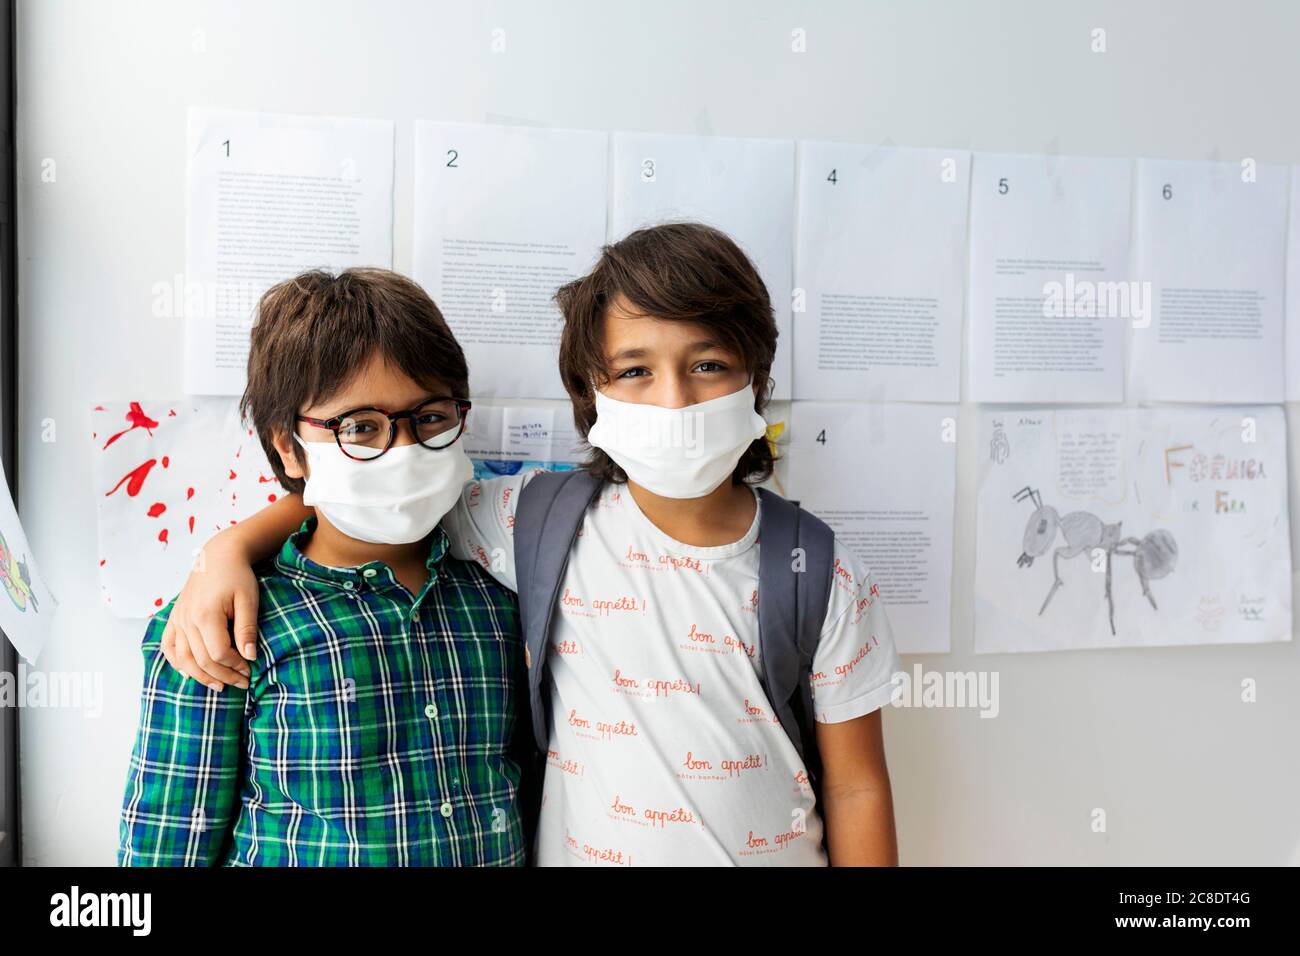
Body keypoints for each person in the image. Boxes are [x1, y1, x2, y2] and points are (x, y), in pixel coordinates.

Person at [161, 224, 905, 865]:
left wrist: (227, 547)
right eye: (635, 370)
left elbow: (856, 784)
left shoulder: (821, 570)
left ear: (756, 378)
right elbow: (370, 501)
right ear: (591, 393)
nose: (674, 400)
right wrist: (227, 549)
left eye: (707, 364)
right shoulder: (536, 519)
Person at [119, 268, 527, 866]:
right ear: (289, 447)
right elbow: (168, 838)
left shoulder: (498, 587)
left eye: (432, 417)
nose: (405, 450)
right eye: (361, 427)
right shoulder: (221, 624)